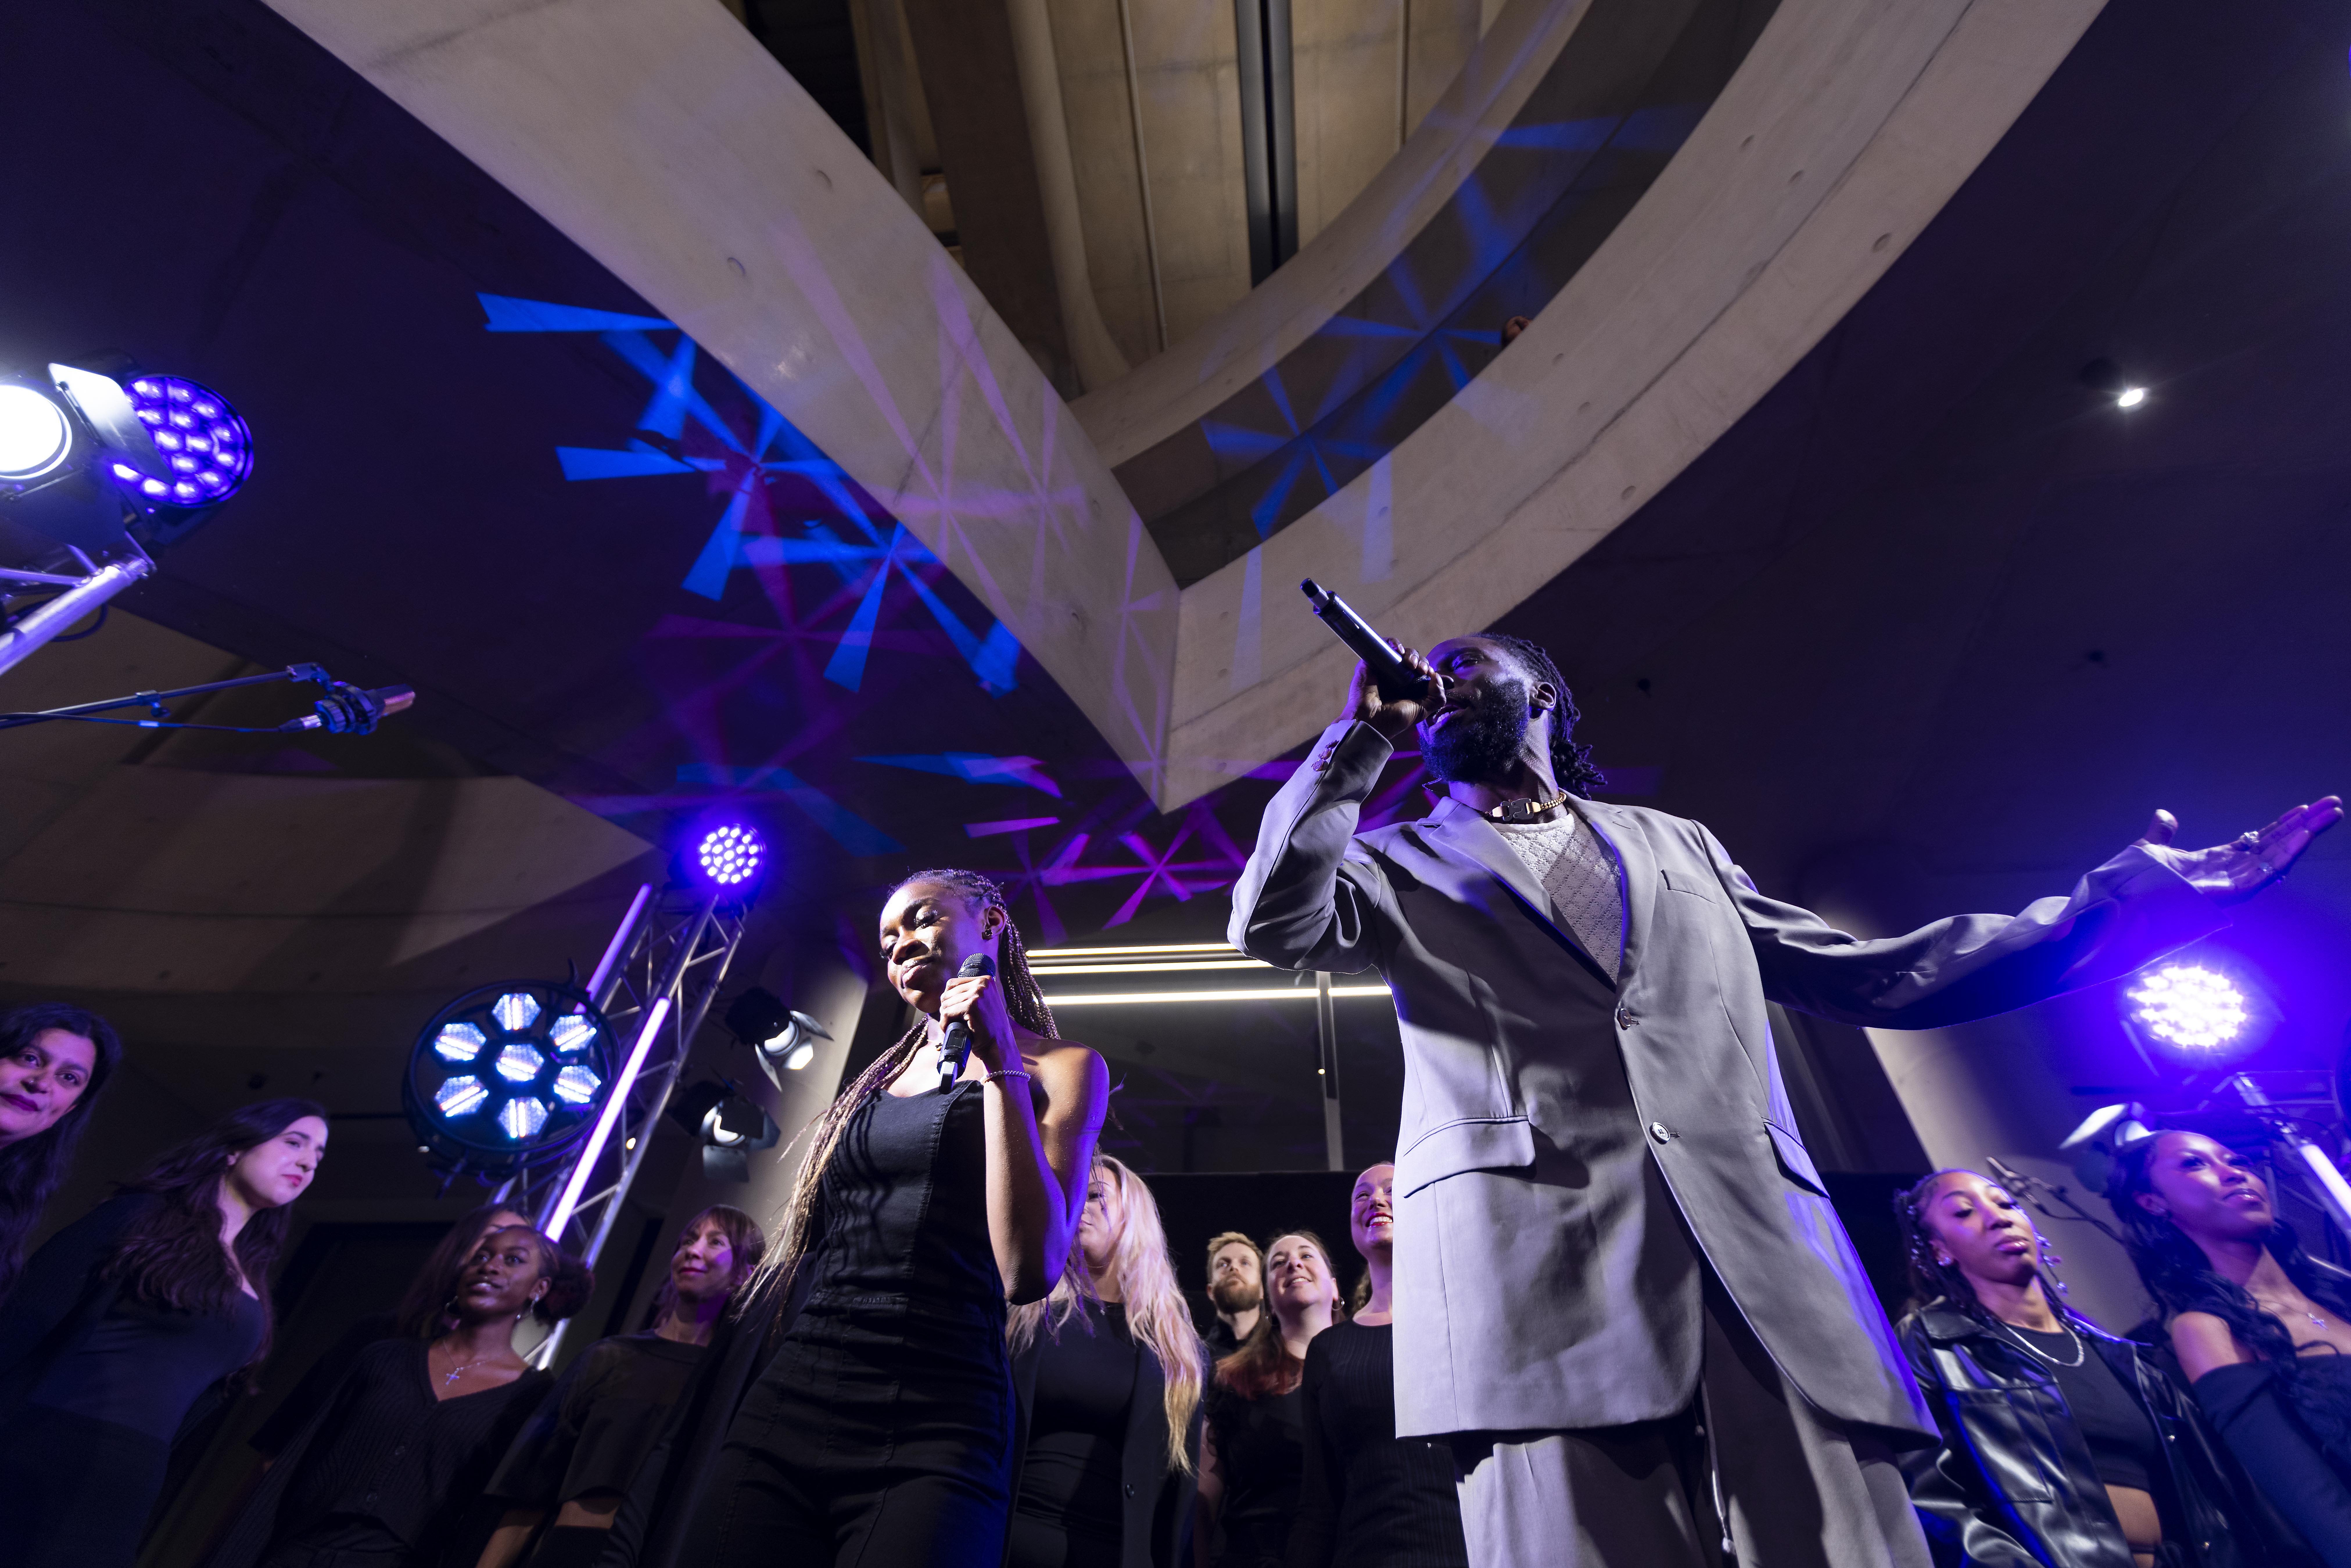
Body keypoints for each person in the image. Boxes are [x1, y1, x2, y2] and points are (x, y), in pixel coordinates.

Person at [1228, 628, 2338, 1568]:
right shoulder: (1395, 860)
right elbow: (1268, 922)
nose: (1436, 680)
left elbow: (1891, 970)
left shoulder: (1682, 848)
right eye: (1424, 675)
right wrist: (1358, 738)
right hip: (1537, 1296)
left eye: (1462, 661)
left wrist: (2141, 901)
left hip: (1764, 1275)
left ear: (1544, 696)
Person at [617, 867, 1109, 1568]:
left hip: (939, 1412)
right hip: (796, 1394)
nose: (902, 943)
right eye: (887, 940)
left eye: (923, 919)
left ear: (993, 924)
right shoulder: (874, 1084)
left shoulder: (1063, 1068)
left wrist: (998, 1054)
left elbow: (1030, 1270)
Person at [1894, 1167, 2280, 1568]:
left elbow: (2213, 1491)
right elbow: (1933, 1495)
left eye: (2006, 1203)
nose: (1999, 1216)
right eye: (1963, 1212)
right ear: (1939, 1249)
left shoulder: (2122, 1358)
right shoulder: (1934, 1343)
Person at [0, 1097, 329, 1568]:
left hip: (133, 1473)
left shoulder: (252, 1276)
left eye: (317, 1156)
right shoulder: (138, 1217)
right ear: (235, 1147)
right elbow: (25, 1319)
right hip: (46, 1441)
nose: (306, 1161)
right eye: (294, 1142)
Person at [211, 1224, 590, 1568]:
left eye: (513, 1260)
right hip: (295, 1551)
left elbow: (508, 1510)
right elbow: (293, 1462)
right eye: (482, 1256)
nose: (490, 1266)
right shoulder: (384, 1358)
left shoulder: (533, 1397)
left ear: (539, 1288)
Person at [2109, 1127, 2351, 1563]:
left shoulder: (2337, 1291)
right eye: (2194, 1163)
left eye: (2236, 1160)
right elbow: (2308, 1495)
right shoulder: (2205, 1328)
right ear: (2153, 1202)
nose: (2233, 1173)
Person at [478, 1205, 767, 1568]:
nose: (693, 1251)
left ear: (745, 1273)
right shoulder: (609, 1358)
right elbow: (530, 1488)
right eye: (688, 1241)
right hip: (572, 1551)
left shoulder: (733, 1384)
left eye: (715, 1242)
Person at [1008, 1153, 1208, 1568]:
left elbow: (1177, 1492)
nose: (1081, 1205)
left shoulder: (1176, 1349)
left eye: (1097, 1195)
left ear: (1134, 1218)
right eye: (1072, 1194)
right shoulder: (1025, 1313)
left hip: (1113, 1552)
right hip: (1010, 1542)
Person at [250, 1201, 533, 1459]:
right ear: (463, 1245)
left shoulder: (511, 1380)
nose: (497, 1258)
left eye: (515, 1254)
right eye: (492, 1238)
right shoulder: (379, 1333)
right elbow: (289, 1433)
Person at [1288, 1165, 1466, 1568]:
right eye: (1362, 1195)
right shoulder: (1329, 1350)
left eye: (1391, 1189)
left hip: (1463, 1551)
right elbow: (1318, 1500)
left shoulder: (1462, 1319)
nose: (1376, 1200)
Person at [1198, 1230, 1341, 1568]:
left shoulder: (1368, 1371)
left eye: (1306, 1256)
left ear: (1335, 1288)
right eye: (1278, 1262)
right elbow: (1202, 1503)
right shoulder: (1232, 1379)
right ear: (1268, 1298)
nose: (1293, 1263)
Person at [0, 1001, 123, 1296]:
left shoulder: (13, 1203)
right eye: (30, 1058)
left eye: (69, 1078)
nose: (41, 1083)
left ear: (68, 1110)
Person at [1204, 1232, 1263, 1359]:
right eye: (1223, 1265)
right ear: (1210, 1292)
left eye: (1245, 1263)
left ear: (1262, 1289)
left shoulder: (1288, 1349)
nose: (1234, 1267)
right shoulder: (1195, 1361)